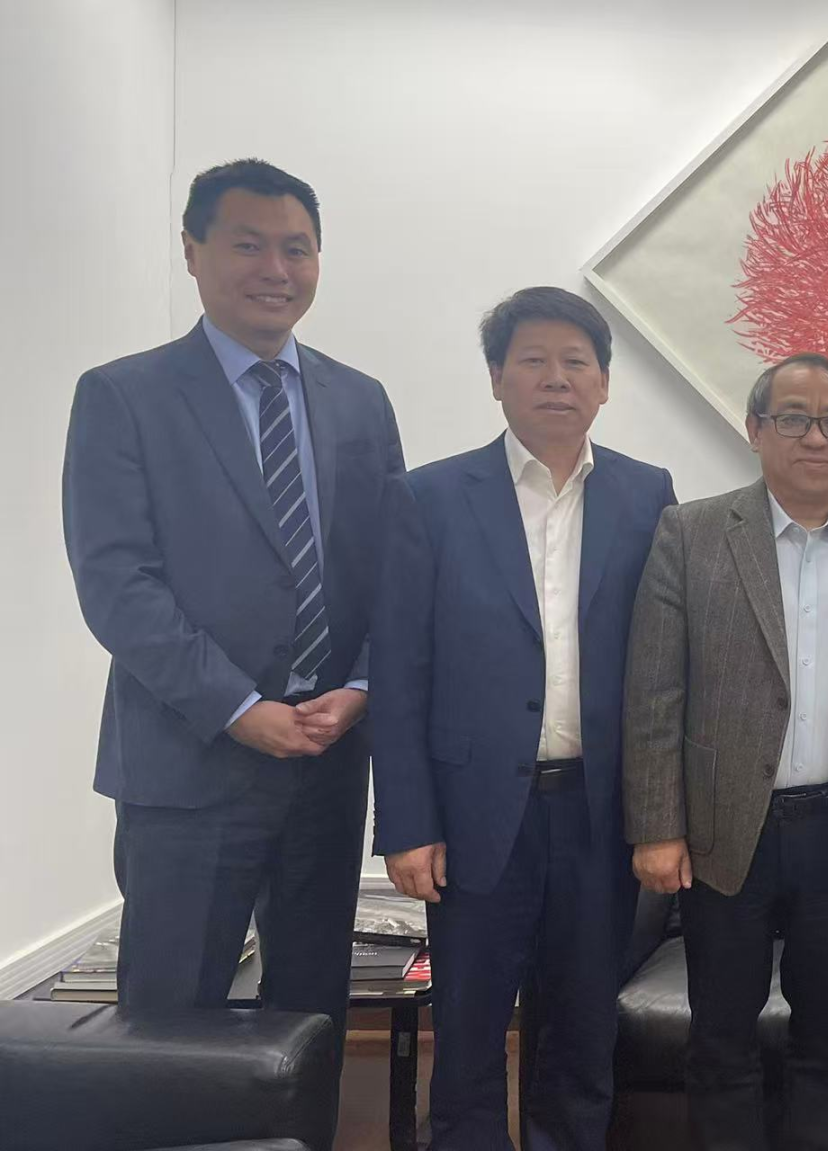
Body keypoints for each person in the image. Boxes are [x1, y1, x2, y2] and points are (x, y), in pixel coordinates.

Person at [62, 159, 404, 1058]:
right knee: (169, 1027)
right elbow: (117, 583)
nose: (276, 270)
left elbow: (395, 573)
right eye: (249, 245)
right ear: (192, 251)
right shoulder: (123, 396)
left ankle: (300, 1129)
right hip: (188, 763)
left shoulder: (360, 402)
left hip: (328, 761)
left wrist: (362, 686)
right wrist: (239, 707)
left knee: (312, 1018)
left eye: (297, 249)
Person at [372, 287, 675, 1149]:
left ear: (604, 384)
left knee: (581, 1031)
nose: (556, 378)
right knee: (468, 1030)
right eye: (534, 360)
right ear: (497, 377)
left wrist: (661, 813)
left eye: (577, 362)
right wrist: (408, 823)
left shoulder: (647, 495)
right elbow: (399, 670)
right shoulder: (429, 497)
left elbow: (664, 665)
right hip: (474, 816)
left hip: (597, 813)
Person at [622, 354, 828, 1151]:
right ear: (755, 429)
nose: (816, 437)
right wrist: (658, 826)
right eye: (793, 418)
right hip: (725, 829)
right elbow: (654, 689)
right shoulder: (692, 532)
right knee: (721, 1035)